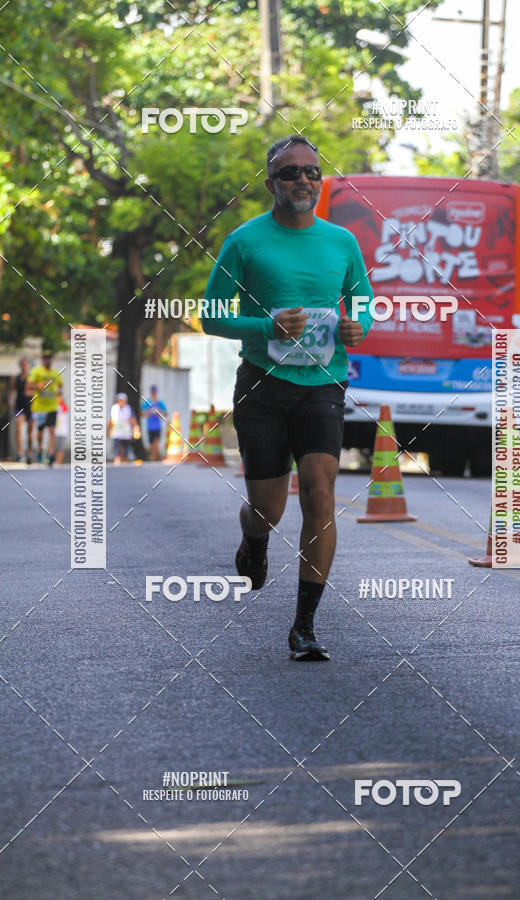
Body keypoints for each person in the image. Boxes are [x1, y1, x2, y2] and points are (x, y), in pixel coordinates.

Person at [202, 135, 373, 661]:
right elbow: (210, 315)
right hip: (262, 385)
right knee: (269, 508)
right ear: (272, 182)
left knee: (320, 493)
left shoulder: (342, 242)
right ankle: (254, 540)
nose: (303, 180)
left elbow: (363, 303)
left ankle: (304, 626)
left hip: (323, 383)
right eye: (291, 172)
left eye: (312, 172)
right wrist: (265, 323)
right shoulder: (245, 242)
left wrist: (356, 327)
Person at [27, 349, 63, 466]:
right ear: (42, 360)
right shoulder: (36, 371)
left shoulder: (55, 373)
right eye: (46, 358)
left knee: (52, 430)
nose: (48, 360)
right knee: (40, 431)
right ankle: (41, 451)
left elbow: (61, 386)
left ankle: (50, 453)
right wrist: (39, 385)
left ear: (52, 359)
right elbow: (29, 385)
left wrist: (59, 396)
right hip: (39, 407)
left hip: (52, 406)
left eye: (50, 358)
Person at [9, 357, 33, 463]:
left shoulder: (33, 377)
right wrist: (11, 400)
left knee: (30, 432)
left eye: (25, 364)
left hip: (31, 406)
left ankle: (29, 453)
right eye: (22, 364)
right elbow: (12, 390)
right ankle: (20, 453)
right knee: (18, 429)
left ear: (28, 365)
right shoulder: (16, 378)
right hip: (19, 406)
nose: (24, 366)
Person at [108, 392, 139, 464]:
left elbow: (133, 419)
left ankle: (124, 467)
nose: (121, 402)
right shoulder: (114, 408)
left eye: (122, 400)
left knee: (125, 452)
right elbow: (111, 420)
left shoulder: (129, 408)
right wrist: (108, 430)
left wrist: (136, 429)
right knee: (117, 452)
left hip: (126, 433)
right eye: (119, 400)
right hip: (117, 433)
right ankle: (117, 465)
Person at [141, 386, 167, 460]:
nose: (154, 394)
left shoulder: (160, 403)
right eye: (153, 393)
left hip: (157, 426)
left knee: (156, 442)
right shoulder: (148, 402)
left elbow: (165, 413)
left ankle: (154, 458)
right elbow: (142, 413)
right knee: (151, 444)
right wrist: (149, 413)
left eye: (155, 393)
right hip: (150, 426)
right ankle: (149, 456)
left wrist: (159, 413)